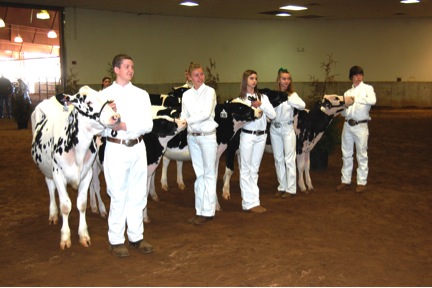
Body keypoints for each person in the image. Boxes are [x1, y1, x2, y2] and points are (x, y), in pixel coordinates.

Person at [99, 54, 154, 257]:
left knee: (138, 194)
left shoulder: (141, 94)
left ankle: (136, 237)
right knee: (118, 193)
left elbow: (148, 125)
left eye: (132, 66)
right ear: (116, 70)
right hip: (116, 147)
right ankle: (116, 239)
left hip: (138, 147)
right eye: (127, 66)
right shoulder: (104, 95)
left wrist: (125, 125)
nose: (131, 70)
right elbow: (99, 127)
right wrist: (108, 120)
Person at [179, 62, 218, 225]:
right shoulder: (186, 95)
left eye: (202, 74)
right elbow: (183, 114)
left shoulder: (210, 92)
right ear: (189, 77)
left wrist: (185, 120)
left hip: (207, 136)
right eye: (196, 75)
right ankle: (199, 210)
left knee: (209, 173)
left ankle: (208, 211)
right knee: (199, 174)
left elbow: (205, 114)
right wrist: (178, 123)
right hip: (192, 137)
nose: (200, 77)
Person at [237, 69, 276, 213]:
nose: (254, 81)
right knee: (246, 169)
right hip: (247, 135)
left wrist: (261, 105)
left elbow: (273, 115)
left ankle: (254, 200)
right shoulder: (241, 99)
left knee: (254, 169)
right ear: (245, 80)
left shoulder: (263, 97)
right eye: (251, 78)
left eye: (256, 78)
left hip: (261, 136)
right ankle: (248, 202)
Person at [336, 65, 376, 193]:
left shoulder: (368, 89)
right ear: (351, 77)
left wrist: (356, 99)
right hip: (348, 124)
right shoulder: (347, 93)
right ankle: (345, 180)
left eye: (360, 74)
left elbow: (373, 100)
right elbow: (344, 112)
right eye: (356, 75)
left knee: (362, 154)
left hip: (361, 125)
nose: (358, 77)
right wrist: (341, 107)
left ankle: (362, 181)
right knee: (346, 153)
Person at [270, 68, 306, 198]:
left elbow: (302, 105)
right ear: (279, 80)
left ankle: (291, 189)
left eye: (288, 79)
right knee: (278, 158)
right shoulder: (273, 94)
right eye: (284, 78)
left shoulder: (292, 95)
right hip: (274, 128)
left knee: (289, 158)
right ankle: (282, 186)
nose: (286, 81)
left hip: (287, 128)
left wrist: (289, 99)